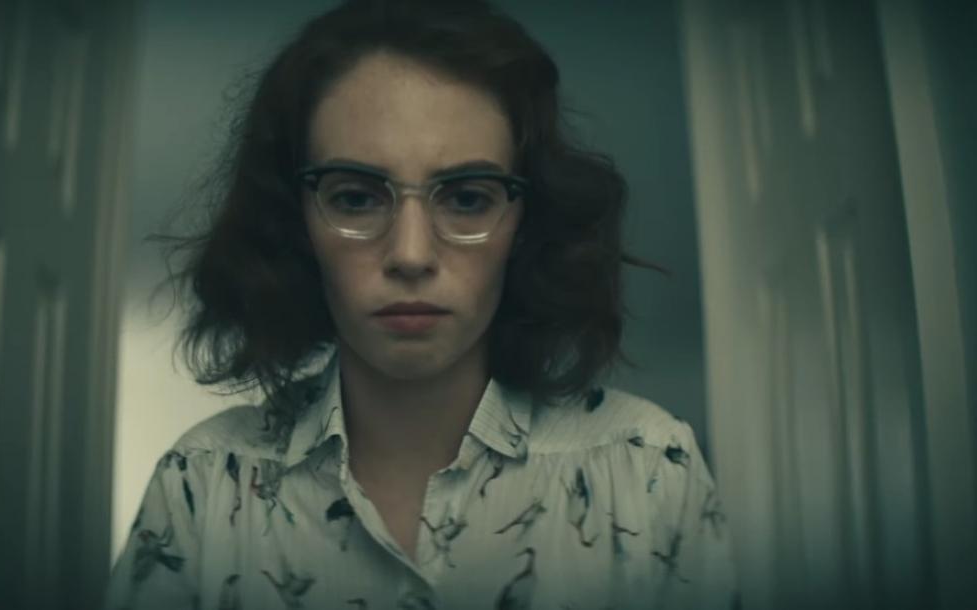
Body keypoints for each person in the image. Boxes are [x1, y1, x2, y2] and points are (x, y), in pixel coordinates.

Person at [103, 1, 739, 608]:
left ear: (526, 222)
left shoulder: (648, 470)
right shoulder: (202, 485)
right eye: (356, 198)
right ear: (295, 222)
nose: (410, 254)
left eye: (467, 198)